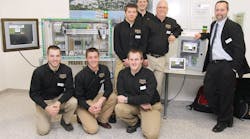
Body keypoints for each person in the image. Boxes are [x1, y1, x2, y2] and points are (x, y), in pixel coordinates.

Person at [195, 0, 250, 132]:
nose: (219, 12)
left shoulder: (234, 26)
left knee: (226, 94)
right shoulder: (214, 24)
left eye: (222, 10)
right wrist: (203, 35)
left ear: (227, 11)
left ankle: (224, 121)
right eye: (217, 10)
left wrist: (234, 68)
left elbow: (240, 49)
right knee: (208, 91)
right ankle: (226, 115)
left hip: (227, 65)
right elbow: (215, 36)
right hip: (213, 64)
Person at [29, 45, 77, 136]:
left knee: (73, 102)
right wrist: (46, 107)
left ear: (61, 57)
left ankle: (65, 121)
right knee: (43, 131)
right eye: (52, 56)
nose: (55, 59)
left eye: (57, 56)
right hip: (44, 101)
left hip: (58, 98)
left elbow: (70, 90)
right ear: (47, 57)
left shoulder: (67, 70)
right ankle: (47, 116)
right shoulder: (38, 72)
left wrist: (59, 102)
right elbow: (33, 94)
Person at [115, 49, 162, 139]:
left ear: (141, 60)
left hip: (150, 106)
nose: (134, 62)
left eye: (136, 59)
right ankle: (135, 122)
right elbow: (121, 93)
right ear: (128, 61)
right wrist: (140, 101)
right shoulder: (122, 74)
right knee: (119, 108)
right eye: (131, 59)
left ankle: (147, 119)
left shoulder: (149, 74)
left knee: (151, 135)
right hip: (137, 105)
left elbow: (148, 98)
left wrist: (127, 99)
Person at [75, 47, 117, 134]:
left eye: (95, 57)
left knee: (113, 96)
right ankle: (81, 117)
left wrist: (100, 101)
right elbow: (79, 98)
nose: (93, 60)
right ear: (86, 59)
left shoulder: (104, 69)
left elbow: (108, 88)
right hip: (83, 103)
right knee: (93, 129)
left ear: (98, 58)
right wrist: (89, 108)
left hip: (95, 98)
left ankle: (102, 120)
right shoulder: (80, 76)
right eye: (90, 57)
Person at [146, 0, 183, 96]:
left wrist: (174, 35)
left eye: (164, 7)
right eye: (160, 7)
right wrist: (144, 58)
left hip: (162, 59)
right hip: (149, 58)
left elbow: (179, 29)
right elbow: (142, 41)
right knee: (146, 84)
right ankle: (144, 104)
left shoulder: (171, 22)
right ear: (156, 9)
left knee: (158, 85)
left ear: (167, 10)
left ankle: (155, 106)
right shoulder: (149, 21)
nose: (162, 9)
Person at [114, 3, 148, 89]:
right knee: (118, 83)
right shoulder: (118, 27)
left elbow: (143, 45)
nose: (131, 14)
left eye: (134, 12)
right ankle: (119, 100)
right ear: (125, 13)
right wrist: (125, 60)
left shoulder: (142, 28)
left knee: (135, 84)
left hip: (137, 61)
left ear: (137, 13)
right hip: (122, 61)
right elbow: (117, 46)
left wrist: (135, 59)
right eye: (129, 12)